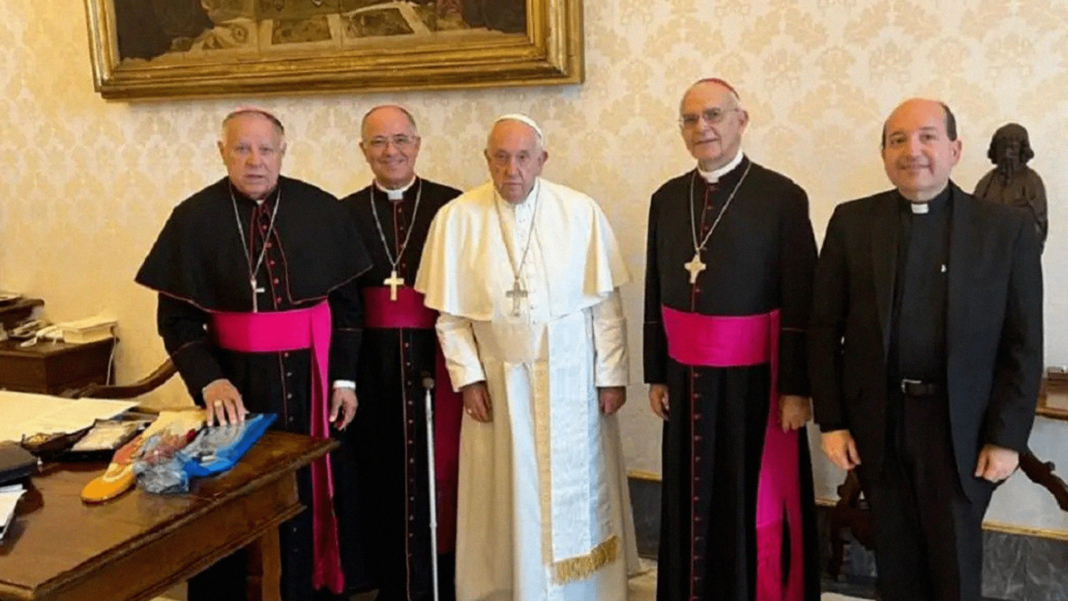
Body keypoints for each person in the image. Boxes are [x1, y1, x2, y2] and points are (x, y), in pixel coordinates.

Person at [809, 98, 1043, 601]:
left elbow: (1023, 344)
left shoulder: (1005, 230)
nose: (912, 151)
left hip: (962, 430)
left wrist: (1007, 438)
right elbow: (824, 330)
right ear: (884, 153)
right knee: (894, 565)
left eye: (927, 137)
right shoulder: (852, 223)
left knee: (954, 566)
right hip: (881, 424)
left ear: (955, 150)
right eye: (897, 140)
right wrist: (832, 421)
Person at [135, 108, 372, 601]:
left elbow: (348, 309)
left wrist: (344, 380)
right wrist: (210, 382)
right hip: (235, 388)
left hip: (312, 383)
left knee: (311, 495)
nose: (255, 161)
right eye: (242, 149)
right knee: (231, 503)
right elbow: (176, 321)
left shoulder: (322, 211)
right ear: (222, 152)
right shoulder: (193, 218)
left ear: (283, 153)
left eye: (266, 149)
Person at [414, 114, 639, 601]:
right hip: (497, 384)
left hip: (571, 380)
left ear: (542, 160)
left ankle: (582, 592)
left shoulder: (580, 212)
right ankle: (506, 587)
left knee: (577, 491)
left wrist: (612, 377)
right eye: (500, 157)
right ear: (487, 159)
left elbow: (606, 308)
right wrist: (468, 380)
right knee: (504, 493)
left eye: (522, 157)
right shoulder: (457, 218)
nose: (511, 169)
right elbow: (450, 318)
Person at [643, 78, 820, 601]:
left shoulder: (782, 196)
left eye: (714, 115)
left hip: (755, 386)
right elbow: (656, 286)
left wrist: (796, 387)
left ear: (741, 121)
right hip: (684, 376)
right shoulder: (667, 198)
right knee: (690, 496)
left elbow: (800, 298)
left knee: (745, 498)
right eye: (691, 119)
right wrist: (656, 371)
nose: (703, 128)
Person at [339, 105, 463, 601]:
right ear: (363, 150)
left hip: (438, 356)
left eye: (401, 140)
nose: (391, 152)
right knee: (379, 472)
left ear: (418, 143)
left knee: (441, 472)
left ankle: (445, 581)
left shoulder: (452, 207)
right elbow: (342, 300)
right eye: (378, 142)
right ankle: (387, 580)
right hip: (370, 363)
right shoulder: (344, 213)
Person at [974, 122, 1048, 251]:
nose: (1007, 154)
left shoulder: (1032, 181)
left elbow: (1037, 223)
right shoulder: (987, 182)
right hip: (990, 253)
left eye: (1013, 148)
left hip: (1019, 254)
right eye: (1003, 148)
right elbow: (973, 216)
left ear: (1022, 151)